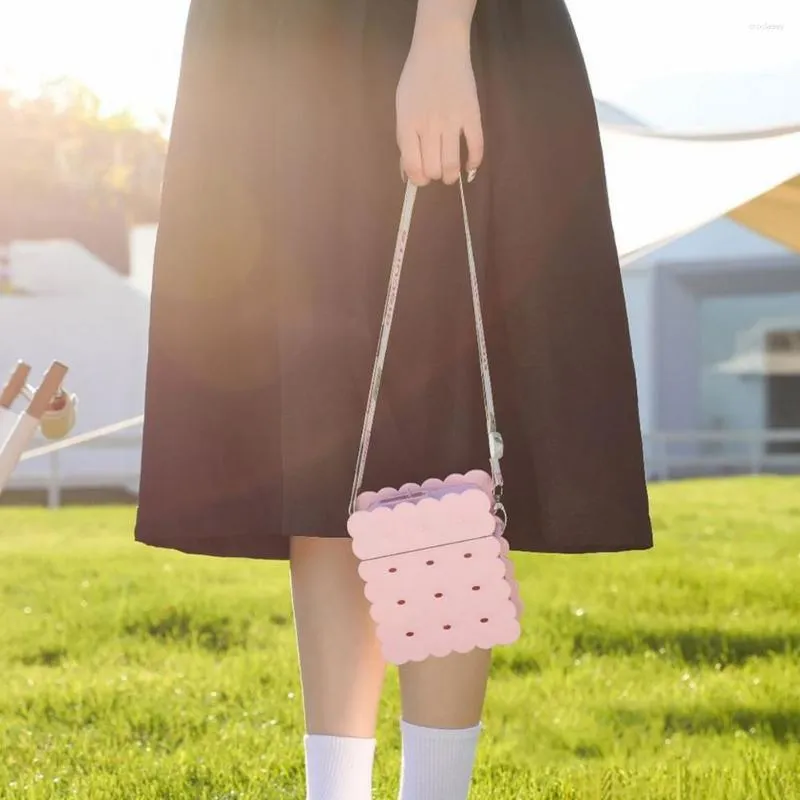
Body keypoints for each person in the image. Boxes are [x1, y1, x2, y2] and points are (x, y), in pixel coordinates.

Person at [135, 0, 653, 798]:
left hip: (415, 35)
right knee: (323, 439)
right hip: (277, 47)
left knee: (433, 443)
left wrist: (443, 36)